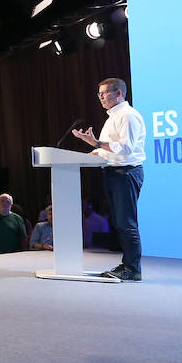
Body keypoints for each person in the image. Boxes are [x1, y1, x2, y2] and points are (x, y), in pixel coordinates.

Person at [73, 77, 146, 281]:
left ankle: (132, 269)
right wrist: (94, 149)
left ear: (119, 93)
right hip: (114, 173)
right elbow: (110, 149)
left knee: (126, 222)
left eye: (104, 93)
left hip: (126, 173)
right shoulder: (113, 117)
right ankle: (127, 265)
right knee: (120, 222)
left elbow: (126, 148)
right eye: (99, 94)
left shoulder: (127, 115)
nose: (101, 97)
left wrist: (97, 143)